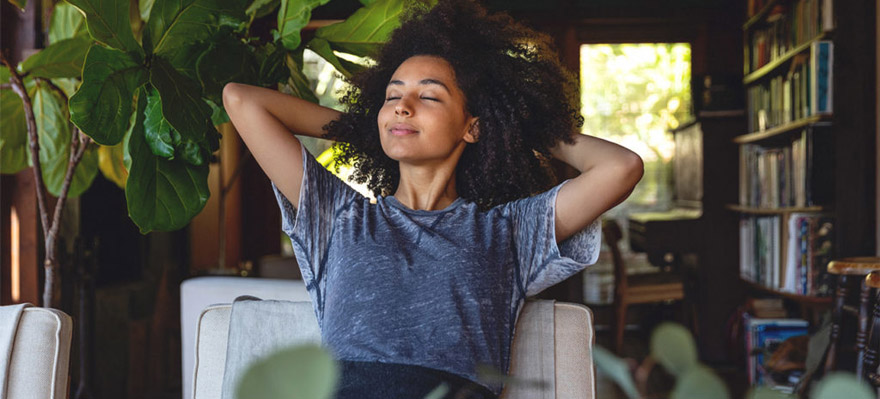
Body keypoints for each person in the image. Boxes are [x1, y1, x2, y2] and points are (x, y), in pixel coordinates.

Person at [222, 0, 643, 397]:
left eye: (428, 96)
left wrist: (512, 127)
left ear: (471, 127)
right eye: (391, 96)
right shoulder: (337, 216)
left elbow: (620, 167)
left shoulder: (509, 232)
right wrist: (369, 129)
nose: (402, 106)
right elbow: (241, 100)